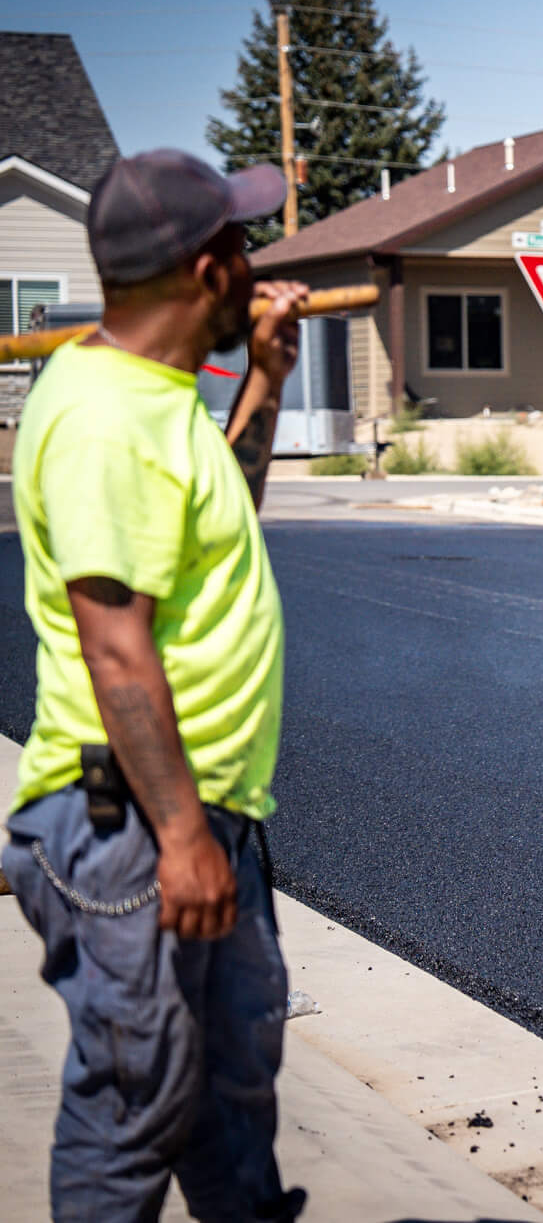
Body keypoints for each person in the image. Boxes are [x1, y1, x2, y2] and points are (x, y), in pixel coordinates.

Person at [2, 150, 308, 1222]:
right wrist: (180, 839)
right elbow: (115, 648)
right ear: (204, 268)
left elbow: (220, 529)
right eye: (241, 240)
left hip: (193, 814)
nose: (256, 260)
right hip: (132, 825)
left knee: (223, 1107)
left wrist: (263, 380)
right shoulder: (102, 421)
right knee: (130, 1112)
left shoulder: (158, 398)